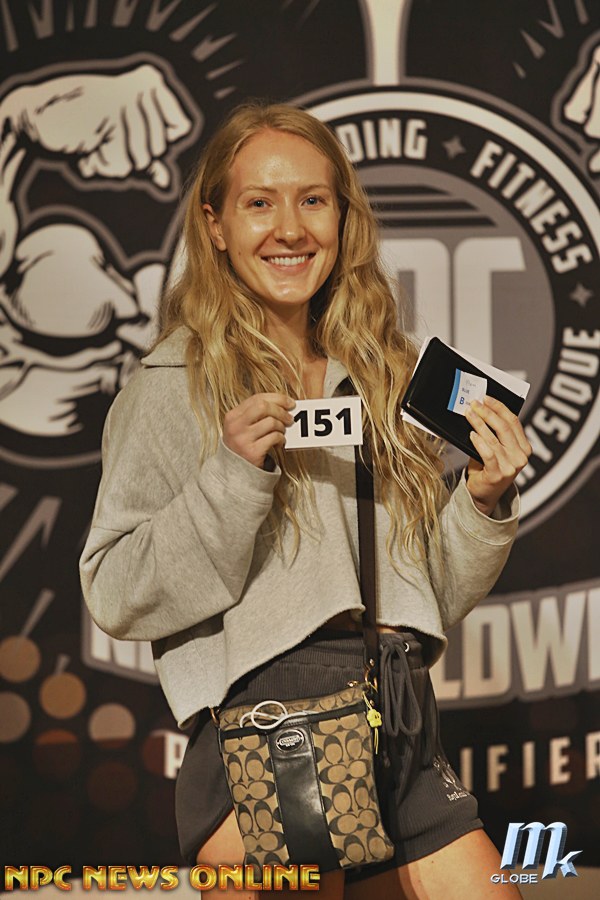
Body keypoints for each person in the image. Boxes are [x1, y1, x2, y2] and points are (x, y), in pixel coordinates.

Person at [80, 102, 531, 899]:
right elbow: (114, 592)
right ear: (216, 225)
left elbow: (428, 592)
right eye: (260, 202)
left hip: (397, 711)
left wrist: (482, 501)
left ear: (342, 217)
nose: (290, 228)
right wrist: (232, 475)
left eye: (312, 200)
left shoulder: (386, 374)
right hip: (276, 726)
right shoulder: (172, 385)